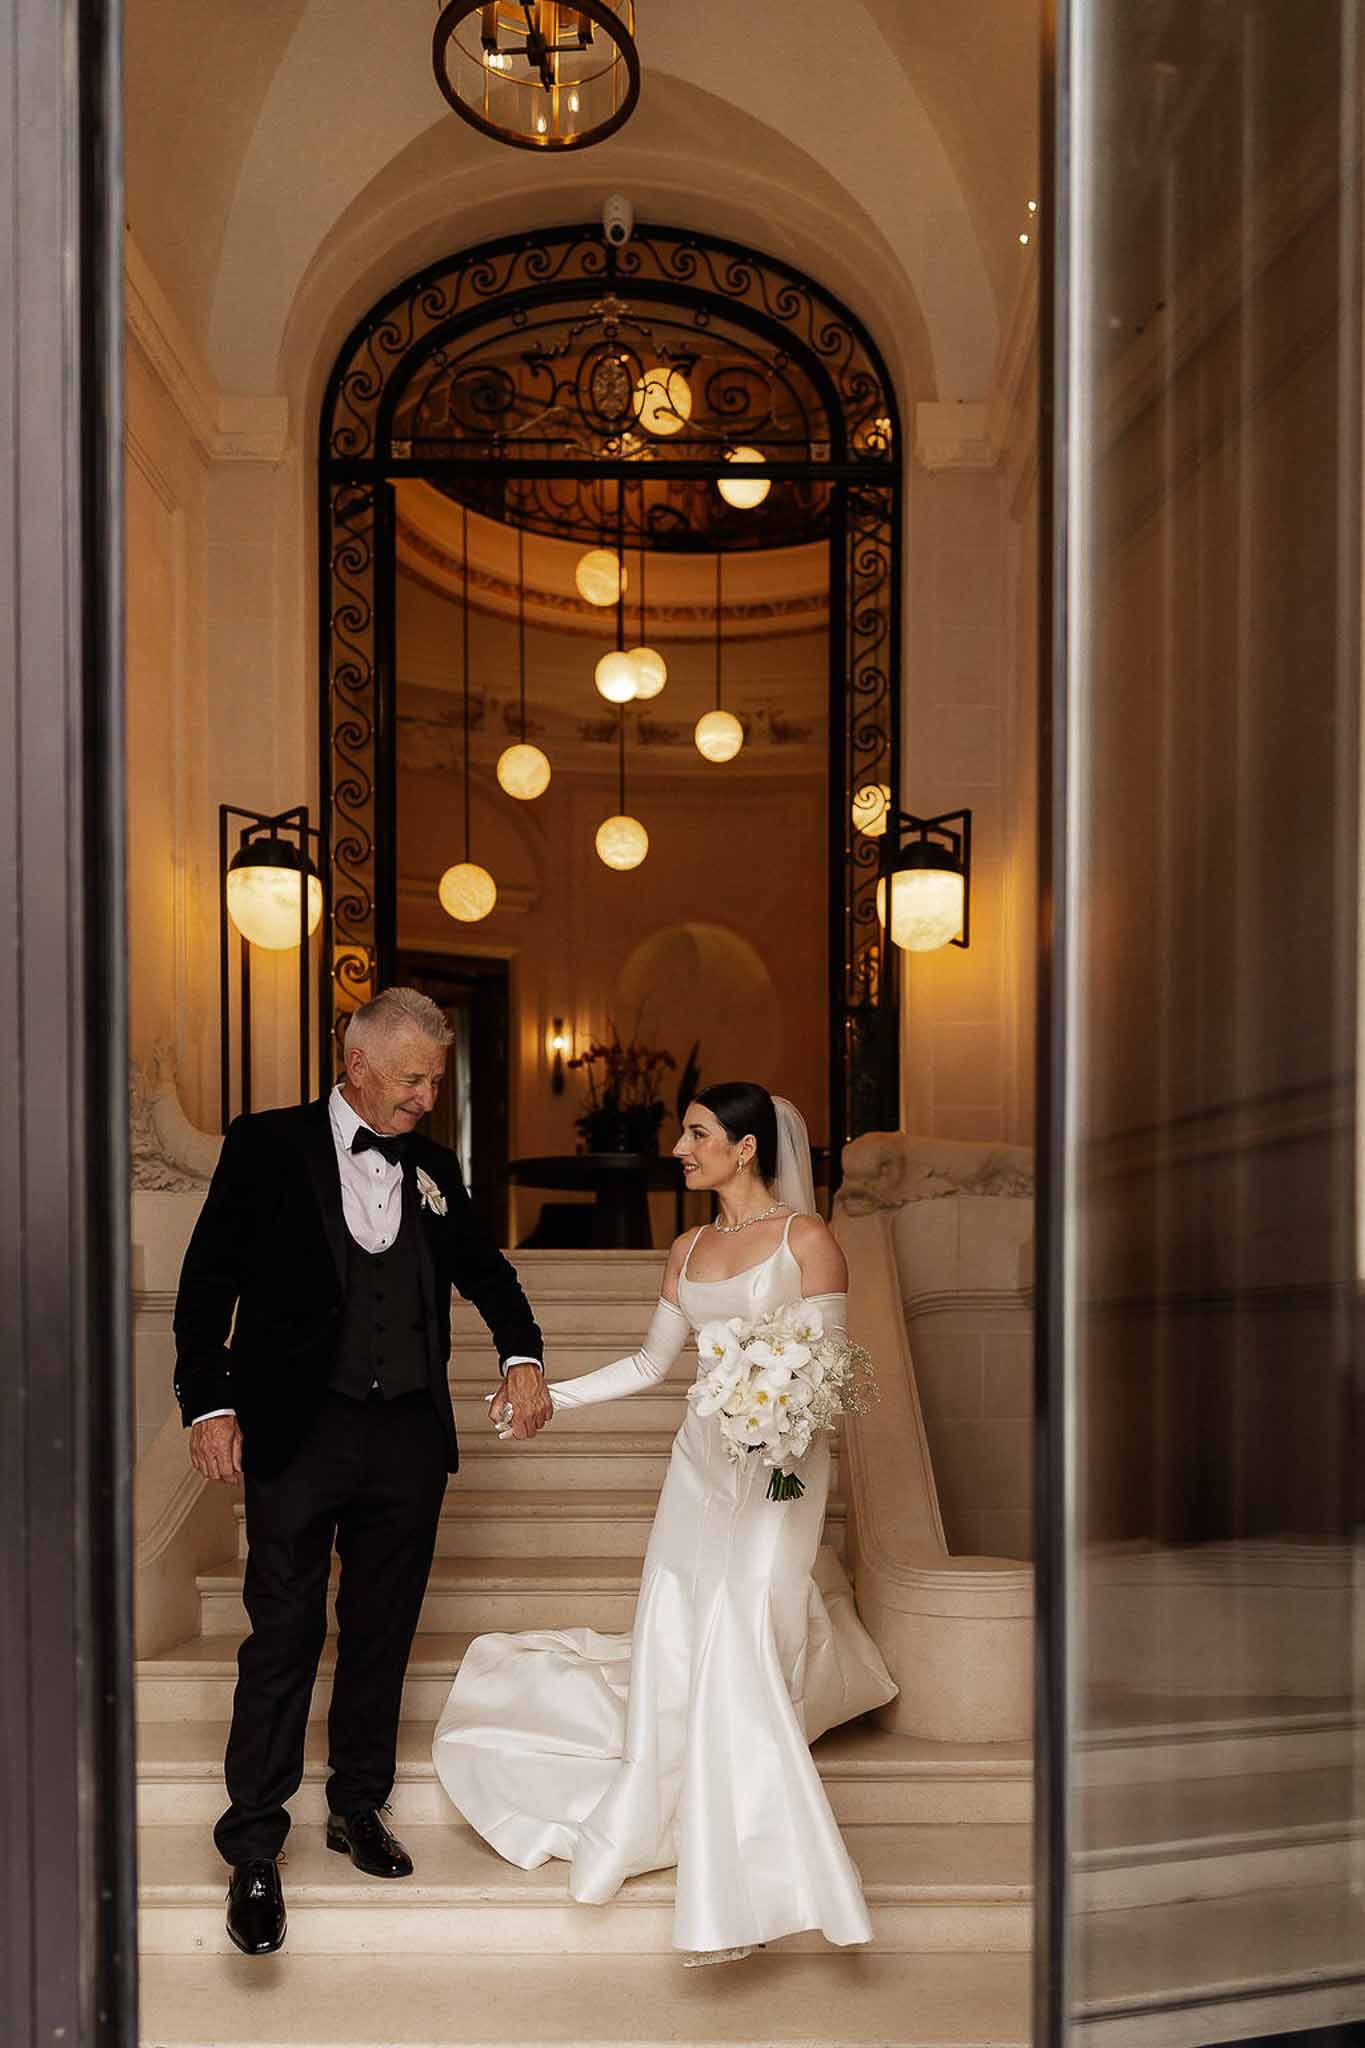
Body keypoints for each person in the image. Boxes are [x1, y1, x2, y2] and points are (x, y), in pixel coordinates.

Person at [433, 1082, 897, 1965]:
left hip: (781, 1472)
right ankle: (699, 1823)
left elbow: (831, 1373)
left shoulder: (808, 1241)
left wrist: (781, 1417)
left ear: (747, 1147)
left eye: (696, 1134)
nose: (680, 1149)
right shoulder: (685, 1248)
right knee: (687, 1635)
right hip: (700, 1468)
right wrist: (546, 1398)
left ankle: (757, 1875)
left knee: (747, 1637)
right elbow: (652, 1364)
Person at [173, 985, 552, 1957]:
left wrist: (522, 1351)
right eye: (414, 1076)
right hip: (299, 1429)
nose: (429, 1094)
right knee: (285, 1634)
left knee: (380, 1632)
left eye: (435, 1077)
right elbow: (207, 1280)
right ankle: (254, 1844)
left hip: (406, 1437)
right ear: (358, 1064)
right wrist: (208, 1402)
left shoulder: (434, 1165)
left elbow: (484, 1268)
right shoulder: (267, 1144)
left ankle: (356, 1805)